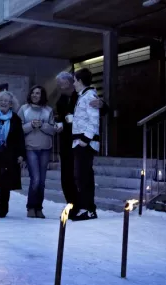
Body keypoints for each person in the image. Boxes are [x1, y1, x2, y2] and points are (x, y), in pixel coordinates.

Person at [55, 71, 109, 218]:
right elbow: (62, 115)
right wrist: (60, 122)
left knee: (81, 175)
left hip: (81, 140)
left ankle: (86, 207)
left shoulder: (84, 95)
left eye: (63, 83)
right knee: (69, 176)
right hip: (69, 141)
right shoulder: (63, 99)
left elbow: (95, 114)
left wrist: (86, 139)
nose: (60, 86)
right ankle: (74, 206)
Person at [0, 91, 26, 218]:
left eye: (6, 101)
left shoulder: (15, 119)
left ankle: (2, 210)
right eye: (1, 100)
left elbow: (20, 138)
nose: (3, 103)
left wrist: (21, 154)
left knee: (5, 183)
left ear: (11, 104)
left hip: (8, 153)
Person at [17, 85, 55, 218]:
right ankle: (31, 207)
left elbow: (53, 129)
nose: (35, 95)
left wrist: (43, 125)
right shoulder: (24, 109)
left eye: (38, 93)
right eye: (33, 93)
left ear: (42, 95)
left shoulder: (48, 110)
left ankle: (39, 208)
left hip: (45, 148)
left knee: (42, 181)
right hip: (30, 148)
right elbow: (18, 129)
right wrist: (31, 125)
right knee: (36, 179)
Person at [71, 68, 100, 220]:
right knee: (81, 176)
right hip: (79, 142)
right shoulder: (83, 96)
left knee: (84, 177)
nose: (73, 83)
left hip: (85, 144)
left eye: (75, 80)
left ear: (80, 81)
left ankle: (88, 209)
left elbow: (94, 120)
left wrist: (85, 140)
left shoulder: (89, 96)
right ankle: (85, 207)